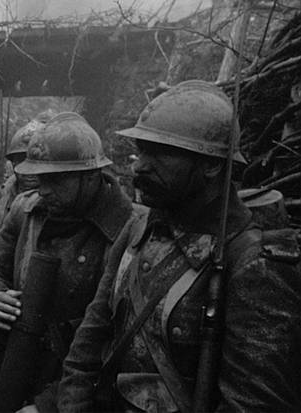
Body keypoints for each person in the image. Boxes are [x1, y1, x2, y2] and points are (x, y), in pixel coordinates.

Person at [58, 80, 301, 412]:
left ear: (212, 165)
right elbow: (90, 339)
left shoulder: (252, 261)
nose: (139, 165)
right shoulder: (138, 228)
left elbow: (254, 403)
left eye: (160, 153)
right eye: (141, 150)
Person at [0, 112, 139, 412]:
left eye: (56, 180)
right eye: (41, 178)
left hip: (78, 388)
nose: (44, 189)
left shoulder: (128, 229)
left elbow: (117, 337)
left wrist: (49, 405)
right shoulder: (26, 210)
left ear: (90, 176)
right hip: (14, 363)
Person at [0, 118, 47, 253]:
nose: (29, 170)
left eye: (36, 161)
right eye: (21, 160)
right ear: (13, 164)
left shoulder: (64, 210)